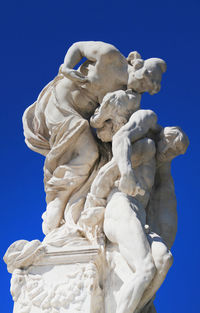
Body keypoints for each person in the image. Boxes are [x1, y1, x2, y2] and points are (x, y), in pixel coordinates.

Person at [78, 90, 189, 313]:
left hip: (139, 217)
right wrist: (96, 204)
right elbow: (106, 175)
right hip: (121, 206)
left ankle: (134, 308)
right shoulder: (147, 146)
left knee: (164, 260)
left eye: (174, 152)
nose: (168, 152)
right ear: (164, 137)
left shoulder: (160, 170)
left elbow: (167, 208)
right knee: (146, 268)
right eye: (169, 145)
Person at [23, 41, 129, 235]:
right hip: (62, 102)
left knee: (101, 157)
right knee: (89, 152)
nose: (151, 85)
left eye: (152, 84)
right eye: (149, 77)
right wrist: (67, 67)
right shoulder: (110, 55)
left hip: (83, 118)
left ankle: (72, 209)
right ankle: (57, 201)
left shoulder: (126, 94)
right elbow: (78, 47)